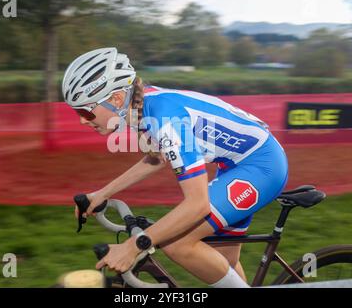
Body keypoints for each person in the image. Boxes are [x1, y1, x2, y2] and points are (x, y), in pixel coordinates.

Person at [62, 47, 289, 288]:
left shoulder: (165, 119)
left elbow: (197, 205)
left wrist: (133, 246)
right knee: (223, 263)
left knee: (176, 243)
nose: (82, 120)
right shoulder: (141, 107)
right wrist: (102, 194)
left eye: (85, 110)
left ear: (117, 99)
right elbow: (156, 157)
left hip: (262, 166)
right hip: (236, 165)